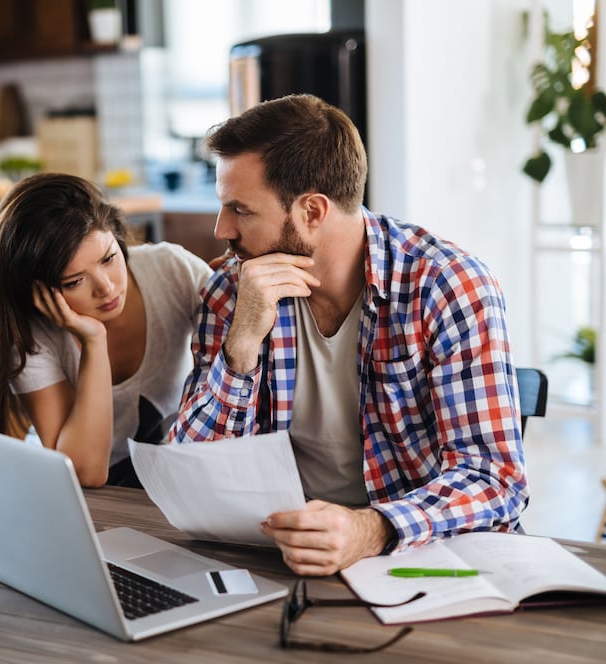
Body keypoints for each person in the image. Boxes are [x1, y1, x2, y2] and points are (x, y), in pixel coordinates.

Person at [169, 94, 528, 575]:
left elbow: (494, 479)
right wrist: (241, 348)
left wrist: (370, 529)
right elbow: (189, 473)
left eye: (240, 209)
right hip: (282, 556)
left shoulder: (446, 286)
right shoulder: (233, 292)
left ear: (313, 211)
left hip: (420, 556)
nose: (221, 230)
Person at [0, 173, 212, 487]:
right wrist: (94, 340)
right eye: (74, 281)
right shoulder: (30, 336)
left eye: (109, 258)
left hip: (172, 481)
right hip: (78, 495)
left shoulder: (173, 270)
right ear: (37, 291)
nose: (106, 287)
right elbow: (85, 472)